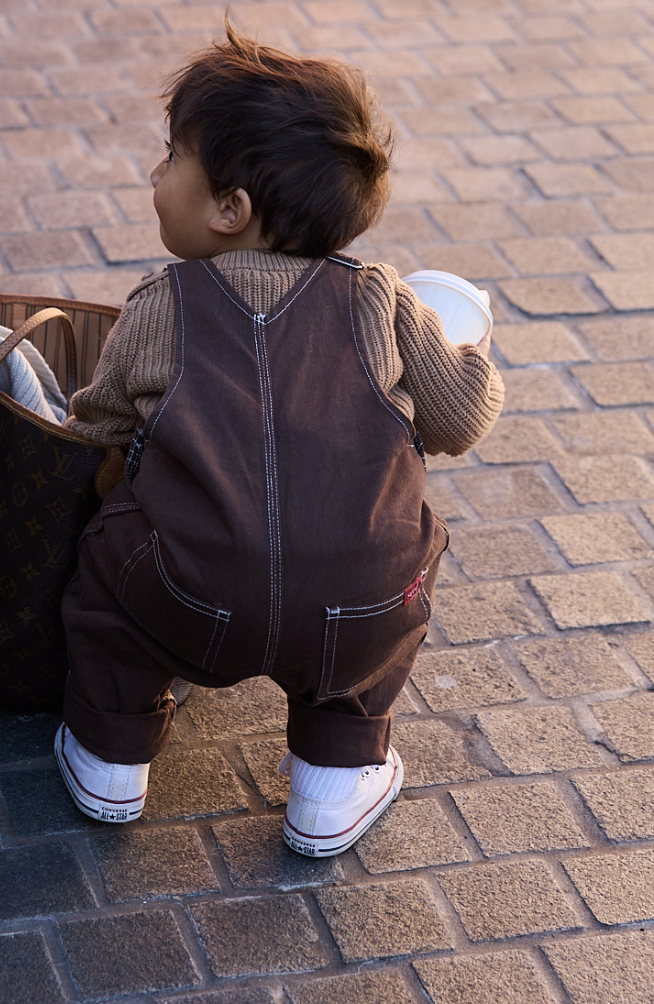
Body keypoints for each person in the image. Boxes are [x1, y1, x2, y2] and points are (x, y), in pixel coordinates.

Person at [53, 24, 503, 856]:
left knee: (108, 570)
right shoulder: (382, 299)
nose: (155, 176)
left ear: (231, 209)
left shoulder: (161, 308)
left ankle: (111, 753)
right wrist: (468, 346)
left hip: (188, 599)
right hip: (354, 610)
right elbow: (460, 421)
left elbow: (93, 431)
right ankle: (333, 783)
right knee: (395, 573)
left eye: (170, 159)